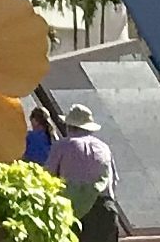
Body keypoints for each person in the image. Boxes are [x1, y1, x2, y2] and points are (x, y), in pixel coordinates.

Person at [49, 103, 119, 242]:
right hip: (106, 210)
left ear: (69, 126)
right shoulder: (104, 147)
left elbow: (48, 176)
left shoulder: (62, 146)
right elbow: (114, 180)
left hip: (75, 211)